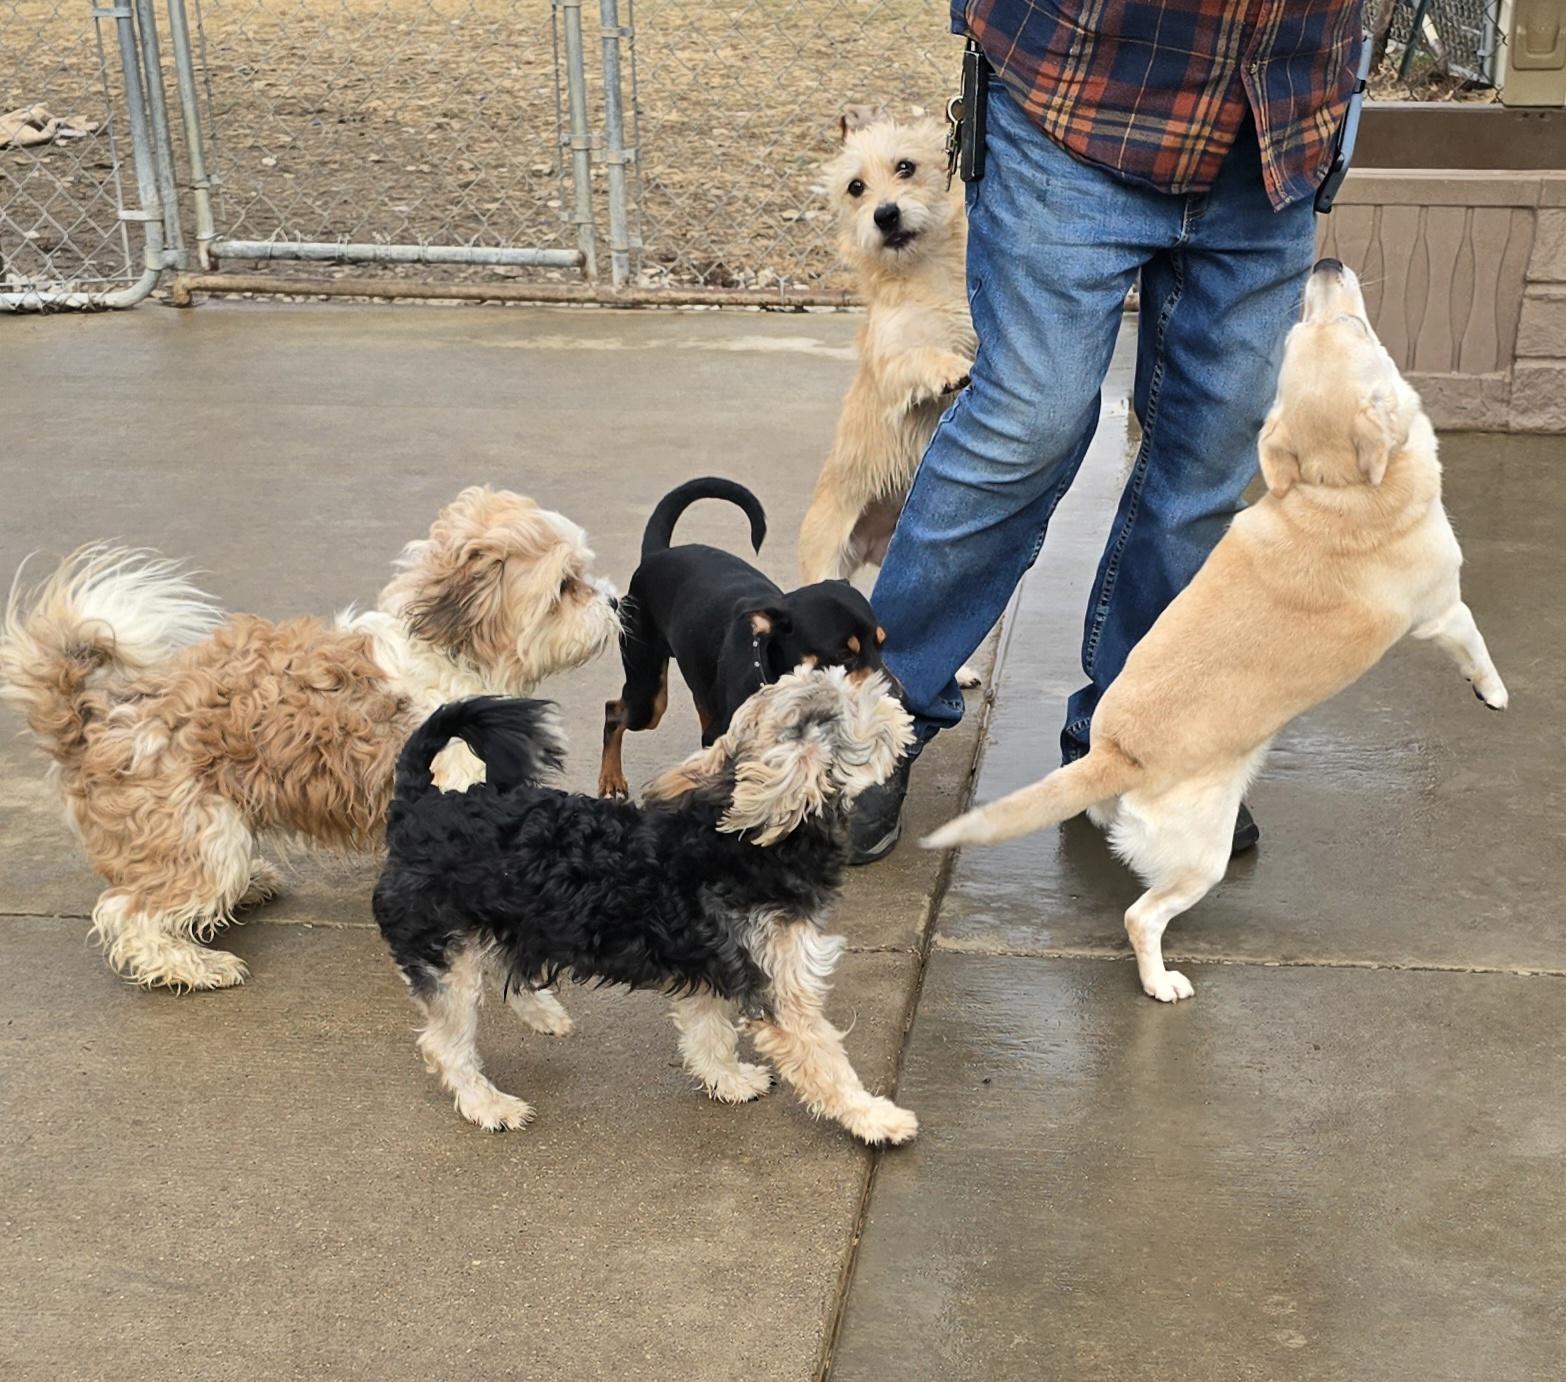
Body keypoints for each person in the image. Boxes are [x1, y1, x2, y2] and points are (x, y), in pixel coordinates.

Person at [848, 0, 1366, 864]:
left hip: (1275, 127)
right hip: (1078, 97)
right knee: (1028, 419)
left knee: (1211, 457)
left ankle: (1133, 741)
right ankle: (873, 719)